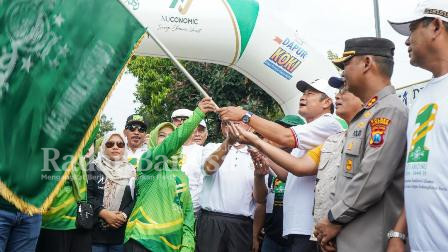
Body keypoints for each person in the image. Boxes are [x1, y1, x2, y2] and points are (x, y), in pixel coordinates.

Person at [232, 79, 363, 251]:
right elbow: (290, 174)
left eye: (310, 93)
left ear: (326, 102)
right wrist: (261, 152)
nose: (303, 97)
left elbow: (286, 139)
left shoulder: (329, 123)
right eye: (303, 93)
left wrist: (246, 117)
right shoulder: (309, 133)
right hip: (298, 227)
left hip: (311, 227)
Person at [314, 37, 408, 252]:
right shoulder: (368, 114)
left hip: (370, 240)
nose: (342, 73)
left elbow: (371, 179)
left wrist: (334, 218)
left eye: (346, 64)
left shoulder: (388, 111)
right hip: (350, 234)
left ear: (366, 63)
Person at [388, 1, 448, 251]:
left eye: (411, 30)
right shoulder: (422, 97)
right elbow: (420, 172)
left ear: (435, 26)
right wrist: (398, 233)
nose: (406, 41)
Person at [124, 97, 215, 252]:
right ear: (153, 138)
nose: (167, 139)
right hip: (142, 240)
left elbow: (188, 217)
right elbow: (170, 145)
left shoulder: (182, 176)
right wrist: (198, 114)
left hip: (172, 246)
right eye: (162, 135)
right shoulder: (148, 163)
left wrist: (187, 246)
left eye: (171, 135)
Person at [195, 120, 257, 252]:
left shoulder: (256, 153)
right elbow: (208, 169)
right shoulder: (212, 147)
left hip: (242, 224)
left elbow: (260, 198)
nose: (231, 126)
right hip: (211, 220)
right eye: (226, 123)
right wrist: (229, 142)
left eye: (237, 122)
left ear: (250, 127)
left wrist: (256, 234)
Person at [253, 115, 306, 252]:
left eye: (286, 129)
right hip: (272, 236)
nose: (279, 133)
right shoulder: (269, 160)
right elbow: (260, 200)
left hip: (298, 237)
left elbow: (290, 175)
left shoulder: (305, 161)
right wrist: (258, 176)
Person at [36, 146, 94, 252]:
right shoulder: (44, 154)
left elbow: (91, 130)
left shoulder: (79, 154)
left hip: (80, 223)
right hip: (54, 223)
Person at [88, 132, 136, 252]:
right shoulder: (93, 168)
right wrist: (104, 213)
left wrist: (123, 215)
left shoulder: (132, 171)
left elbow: (135, 198)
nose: (115, 147)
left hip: (120, 234)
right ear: (104, 147)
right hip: (96, 234)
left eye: (120, 144)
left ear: (124, 148)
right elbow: (87, 195)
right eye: (110, 144)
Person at [171, 108, 208, 216]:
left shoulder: (203, 152)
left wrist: (186, 211)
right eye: (177, 120)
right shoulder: (166, 150)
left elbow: (203, 187)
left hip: (191, 215)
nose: (181, 123)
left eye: (185, 120)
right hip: (164, 214)